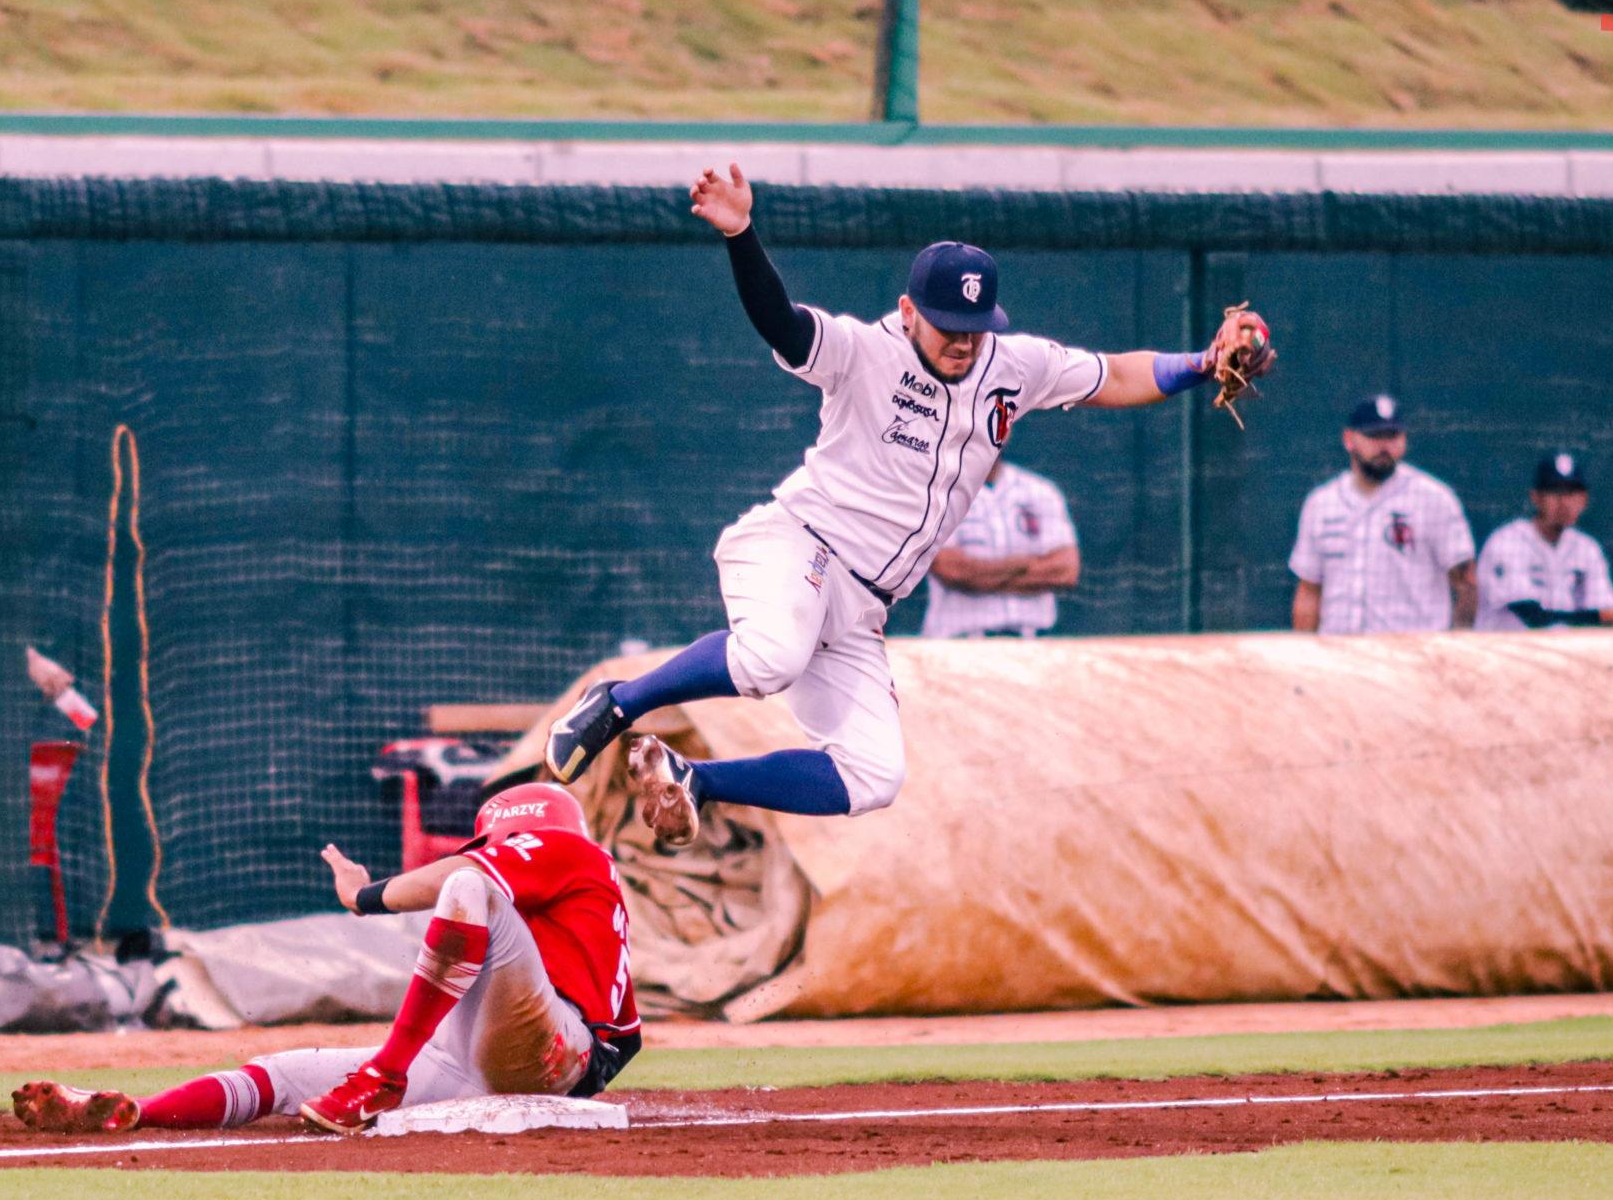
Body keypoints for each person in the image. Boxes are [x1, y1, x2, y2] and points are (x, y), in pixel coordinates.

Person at [541, 162, 1270, 846]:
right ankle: (620, 702)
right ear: (907, 309)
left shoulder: (1012, 364)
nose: (963, 340)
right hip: (799, 544)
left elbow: (1114, 373)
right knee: (771, 654)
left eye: (976, 327)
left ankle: (695, 782)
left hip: (863, 606)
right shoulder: (867, 351)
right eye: (948, 322)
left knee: (874, 774)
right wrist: (740, 236)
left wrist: (1203, 365)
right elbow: (783, 325)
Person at [13, 782, 641, 1138]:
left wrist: (365, 897)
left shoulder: (567, 849)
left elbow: (466, 874)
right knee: (282, 1074)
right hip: (482, 1056)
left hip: (555, 1045)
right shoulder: (579, 899)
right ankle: (135, 1111)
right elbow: (630, 1037)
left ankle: (384, 1074)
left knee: (468, 888)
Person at [1290, 396, 1475, 635]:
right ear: (1349, 439)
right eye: (1374, 436)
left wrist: (1456, 647)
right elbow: (1309, 590)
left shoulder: (1434, 499)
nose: (1384, 446)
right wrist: (1305, 653)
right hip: (1338, 657)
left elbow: (1467, 584)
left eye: (1392, 436)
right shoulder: (1322, 502)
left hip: (1413, 655)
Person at [1474, 451, 1613, 631]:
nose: (1564, 502)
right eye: (1554, 492)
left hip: (1562, 655)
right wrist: (1612, 615)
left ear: (1584, 500)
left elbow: (1603, 612)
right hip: (1503, 653)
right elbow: (1534, 618)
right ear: (1536, 497)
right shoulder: (1507, 543)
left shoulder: (1587, 548)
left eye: (1572, 492)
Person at [916, 459, 1079, 639]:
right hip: (961, 645)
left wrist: (983, 574)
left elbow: (1065, 571)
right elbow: (952, 571)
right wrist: (1024, 565)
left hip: (1032, 643)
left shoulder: (1039, 490)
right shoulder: (935, 492)